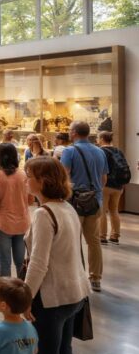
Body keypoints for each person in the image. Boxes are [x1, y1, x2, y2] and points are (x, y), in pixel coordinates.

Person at [23, 157, 90, 354]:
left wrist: (25, 299)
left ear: (42, 181)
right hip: (75, 293)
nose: (25, 180)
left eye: (29, 177)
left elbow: (38, 263)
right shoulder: (67, 207)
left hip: (52, 299)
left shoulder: (44, 214)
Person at [60, 121, 108, 292]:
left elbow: (63, 176)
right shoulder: (100, 152)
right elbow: (103, 180)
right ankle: (96, 278)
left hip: (75, 202)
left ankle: (76, 276)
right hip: (95, 201)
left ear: (73, 133)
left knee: (72, 240)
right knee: (94, 241)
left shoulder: (69, 151)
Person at [0, 143, 32, 278]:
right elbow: (30, 200)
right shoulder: (24, 174)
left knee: (4, 263)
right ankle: (20, 293)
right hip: (23, 223)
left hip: (2, 224)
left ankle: (4, 294)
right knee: (20, 263)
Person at [98, 131, 130, 245]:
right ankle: (115, 236)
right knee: (114, 210)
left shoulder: (101, 151)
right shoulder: (118, 151)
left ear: (101, 139)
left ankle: (102, 236)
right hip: (118, 185)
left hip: (105, 185)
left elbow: (100, 169)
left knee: (102, 211)